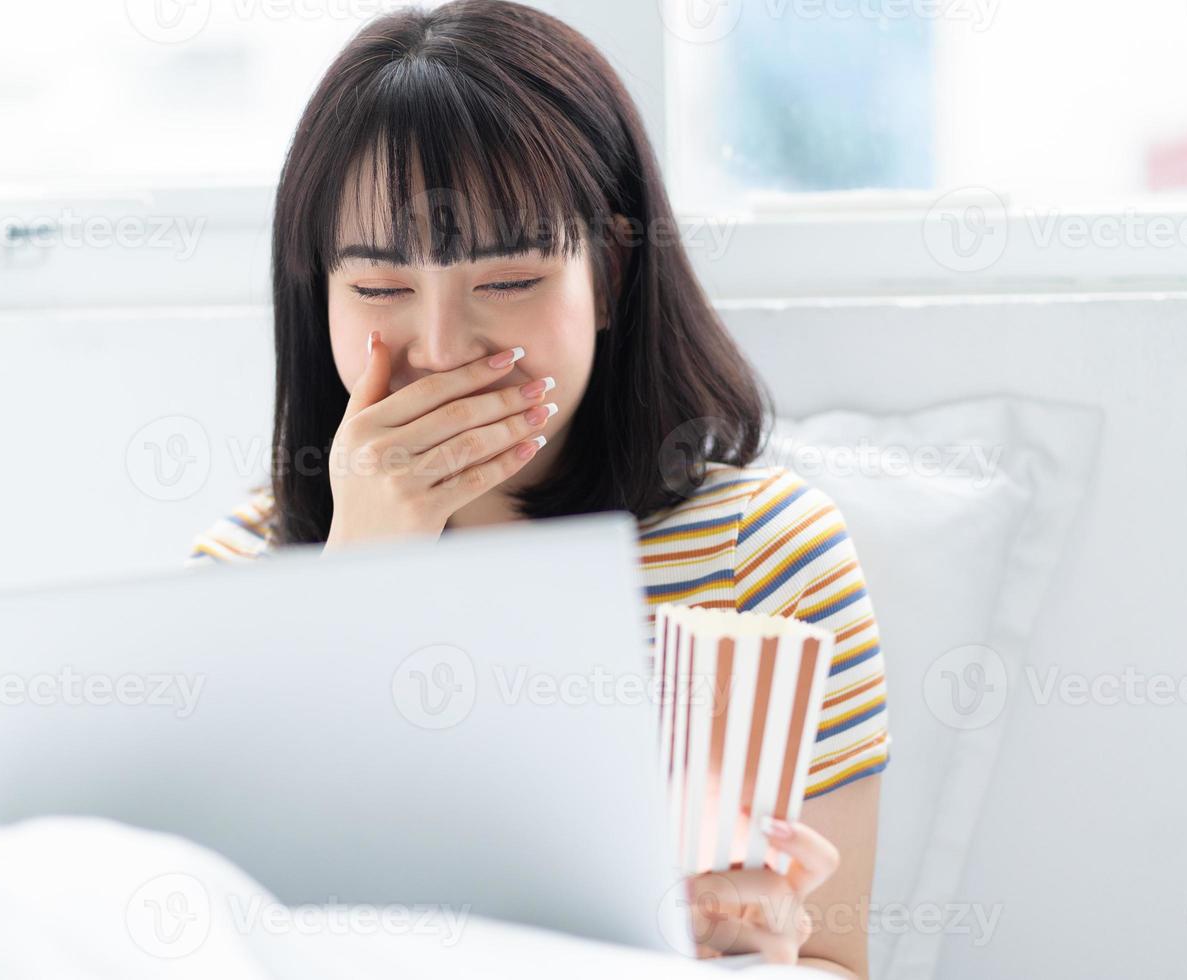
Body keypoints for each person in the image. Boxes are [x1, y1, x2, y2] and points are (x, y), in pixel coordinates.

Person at [189, 2, 889, 974]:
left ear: (606, 269)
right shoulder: (241, 569)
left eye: (509, 280)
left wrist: (755, 952)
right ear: (320, 294)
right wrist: (364, 564)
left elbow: (840, 958)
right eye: (381, 290)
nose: (441, 348)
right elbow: (217, 927)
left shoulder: (765, 554)